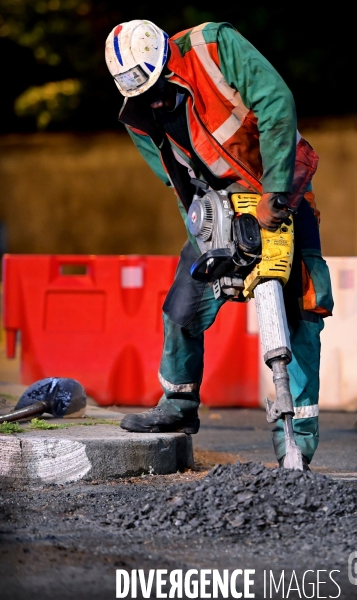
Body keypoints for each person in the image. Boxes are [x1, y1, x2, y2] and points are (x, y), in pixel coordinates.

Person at [104, 19, 334, 467]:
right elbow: (176, 182)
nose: (153, 99)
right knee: (183, 305)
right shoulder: (139, 114)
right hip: (220, 212)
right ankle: (178, 405)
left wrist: (274, 196)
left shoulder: (213, 46)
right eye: (142, 94)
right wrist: (206, 238)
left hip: (279, 195)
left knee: (303, 314)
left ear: (166, 58)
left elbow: (276, 104)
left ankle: (297, 439)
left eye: (158, 88)